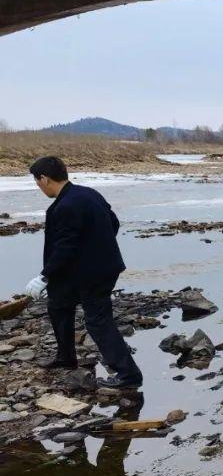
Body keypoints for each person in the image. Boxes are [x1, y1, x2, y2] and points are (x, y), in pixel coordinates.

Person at [23, 156, 143, 389]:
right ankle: (66, 357)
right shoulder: (88, 194)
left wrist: (44, 276)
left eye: (37, 183)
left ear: (45, 179)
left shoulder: (67, 206)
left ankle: (128, 375)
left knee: (98, 321)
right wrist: (97, 246)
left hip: (94, 274)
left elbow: (65, 247)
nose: (39, 187)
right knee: (58, 304)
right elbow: (113, 223)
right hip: (88, 269)